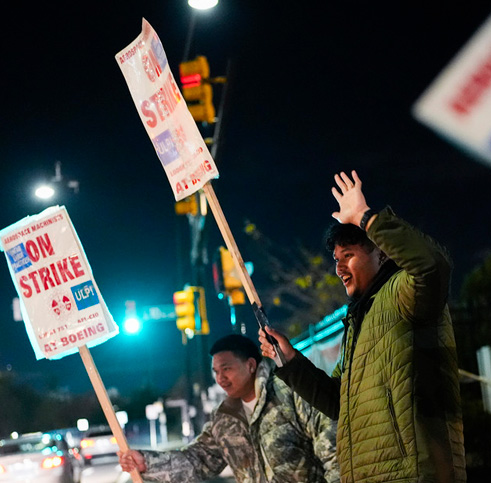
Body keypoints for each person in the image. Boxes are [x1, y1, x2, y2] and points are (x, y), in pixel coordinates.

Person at [259, 170, 466, 482]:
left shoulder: (403, 293)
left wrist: (366, 218)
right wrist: (288, 360)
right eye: (336, 258)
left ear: (380, 253)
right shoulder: (359, 321)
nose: (339, 267)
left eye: (349, 255)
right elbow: (338, 401)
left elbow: (432, 265)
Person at [118, 334, 339, 483]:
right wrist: (146, 463)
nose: (220, 378)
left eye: (226, 368)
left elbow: (333, 452)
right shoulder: (224, 419)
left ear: (251, 365)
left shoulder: (291, 394)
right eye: (216, 371)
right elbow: (198, 460)